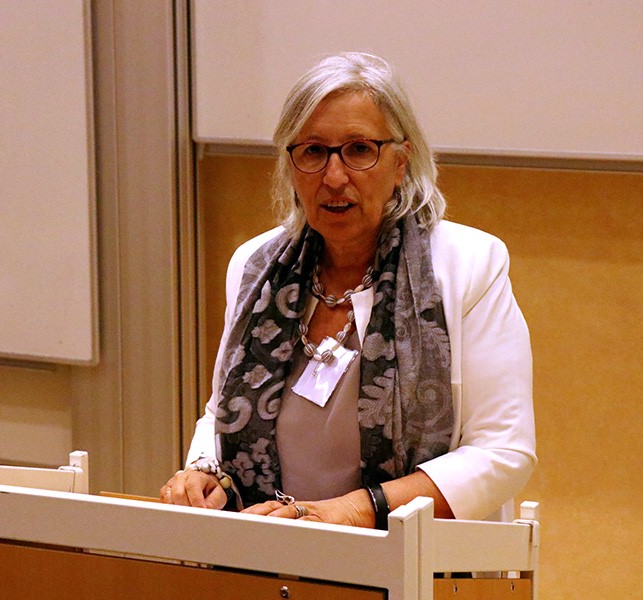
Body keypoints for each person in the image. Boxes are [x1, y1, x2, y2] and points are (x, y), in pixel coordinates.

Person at [160, 52, 536, 529]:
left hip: (413, 565)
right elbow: (223, 411)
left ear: (401, 163)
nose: (334, 177)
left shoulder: (467, 266)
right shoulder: (255, 268)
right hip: (267, 556)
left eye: (359, 150)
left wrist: (354, 511)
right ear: (292, 166)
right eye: (313, 151)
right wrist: (204, 470)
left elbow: (503, 453)